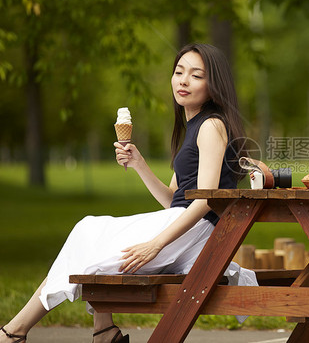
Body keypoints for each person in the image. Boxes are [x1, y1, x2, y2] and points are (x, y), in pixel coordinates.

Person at [1, 43, 257, 343]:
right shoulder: (192, 127)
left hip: (198, 232)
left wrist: (155, 245)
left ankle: (17, 331)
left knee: (89, 232)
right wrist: (139, 164)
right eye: (178, 72)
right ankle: (100, 331)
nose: (183, 80)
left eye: (196, 75)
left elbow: (205, 200)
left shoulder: (211, 126)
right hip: (185, 224)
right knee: (91, 235)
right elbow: (173, 198)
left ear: (214, 86)